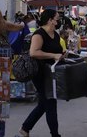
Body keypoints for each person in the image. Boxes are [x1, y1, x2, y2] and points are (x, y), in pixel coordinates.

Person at [19, 9, 63, 137]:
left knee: (44, 103)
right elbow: (33, 52)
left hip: (52, 73)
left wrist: (62, 54)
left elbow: (57, 50)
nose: (58, 21)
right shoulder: (39, 34)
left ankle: (25, 128)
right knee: (50, 102)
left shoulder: (55, 34)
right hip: (40, 73)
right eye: (57, 18)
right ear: (50, 20)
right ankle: (55, 134)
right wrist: (53, 55)